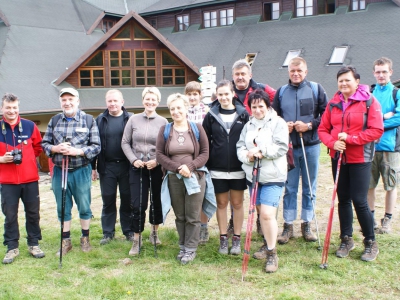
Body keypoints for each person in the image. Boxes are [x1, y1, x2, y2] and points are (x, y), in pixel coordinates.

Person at [318, 66, 383, 261]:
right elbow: (323, 129)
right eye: (341, 81)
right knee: (343, 198)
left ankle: (370, 241)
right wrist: (332, 143)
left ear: (357, 81)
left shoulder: (369, 102)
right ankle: (346, 239)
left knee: (359, 200)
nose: (344, 84)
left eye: (347, 80)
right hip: (338, 157)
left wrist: (351, 139)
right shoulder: (333, 103)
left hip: (360, 157)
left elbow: (376, 130)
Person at [272, 57, 327, 244]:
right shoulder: (281, 92)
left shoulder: (316, 89)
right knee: (289, 188)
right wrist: (282, 126)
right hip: (289, 148)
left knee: (309, 187)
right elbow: (273, 117)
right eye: (292, 70)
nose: (296, 73)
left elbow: (326, 115)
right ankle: (288, 225)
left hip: (310, 146)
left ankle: (307, 223)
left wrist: (310, 125)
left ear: (306, 71)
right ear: (289, 72)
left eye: (299, 70)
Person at [42, 87, 100, 256]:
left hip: (81, 170)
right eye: (64, 100)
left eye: (70, 99)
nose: (67, 103)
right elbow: (44, 144)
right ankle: (65, 241)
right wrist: (55, 148)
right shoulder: (54, 121)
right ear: (61, 102)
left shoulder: (89, 120)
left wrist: (78, 151)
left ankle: (85, 238)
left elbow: (96, 147)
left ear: (77, 101)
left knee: (84, 205)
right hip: (60, 171)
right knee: (62, 206)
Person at [156, 93, 212, 265]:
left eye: (179, 107)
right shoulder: (165, 130)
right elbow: (159, 154)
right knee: (180, 215)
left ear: (186, 108)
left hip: (195, 178)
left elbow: (205, 153)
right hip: (174, 178)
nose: (176, 111)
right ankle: (182, 245)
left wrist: (191, 167)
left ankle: (191, 248)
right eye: (172, 108)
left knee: (193, 215)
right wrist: (177, 168)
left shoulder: (196, 128)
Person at [237, 89, 288, 273]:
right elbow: (240, 146)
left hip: (273, 176)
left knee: (267, 214)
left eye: (260, 106)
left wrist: (262, 152)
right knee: (261, 214)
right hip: (254, 177)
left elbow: (281, 147)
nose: (257, 110)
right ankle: (267, 243)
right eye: (254, 107)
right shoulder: (248, 125)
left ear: (267, 106)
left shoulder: (278, 123)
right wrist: (247, 156)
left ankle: (272, 253)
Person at [203, 79, 249, 255]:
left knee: (237, 203)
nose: (223, 97)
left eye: (226, 94)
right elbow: (205, 142)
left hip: (238, 168)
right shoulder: (211, 116)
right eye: (220, 94)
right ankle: (223, 238)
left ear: (232, 94)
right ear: (217, 96)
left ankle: (236, 239)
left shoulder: (244, 114)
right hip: (217, 169)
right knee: (221, 203)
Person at [231, 59, 276, 236]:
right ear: (233, 77)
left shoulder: (263, 89)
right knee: (236, 188)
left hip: (259, 143)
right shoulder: (228, 92)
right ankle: (232, 221)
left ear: (250, 75)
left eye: (243, 74)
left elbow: (278, 100)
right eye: (237, 74)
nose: (240, 77)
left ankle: (260, 219)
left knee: (256, 184)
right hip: (237, 143)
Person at [121, 87, 168, 256]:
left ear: (158, 101)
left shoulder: (163, 122)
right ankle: (137, 238)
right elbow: (125, 142)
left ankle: (154, 232)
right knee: (137, 203)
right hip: (137, 167)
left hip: (156, 168)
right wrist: (134, 159)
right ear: (143, 100)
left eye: (153, 99)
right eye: (147, 99)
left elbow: (166, 146)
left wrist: (157, 160)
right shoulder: (133, 120)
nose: (150, 102)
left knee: (156, 201)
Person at [0, 93, 44, 264]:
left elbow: (38, 148)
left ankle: (34, 244)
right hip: (7, 181)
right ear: (2, 108)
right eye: (8, 108)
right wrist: (2, 159)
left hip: (30, 180)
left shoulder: (29, 126)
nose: (11, 111)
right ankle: (12, 247)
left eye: (14, 108)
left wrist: (28, 162)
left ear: (18, 107)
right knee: (10, 215)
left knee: (33, 214)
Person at [91, 89, 133, 245]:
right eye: (110, 101)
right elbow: (94, 144)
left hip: (127, 166)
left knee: (127, 199)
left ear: (122, 102)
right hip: (106, 167)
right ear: (106, 102)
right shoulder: (100, 120)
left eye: (115, 100)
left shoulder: (131, 119)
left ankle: (128, 231)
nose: (112, 103)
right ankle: (108, 233)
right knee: (108, 200)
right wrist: (93, 167)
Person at [367, 57, 400, 234]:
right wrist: (383, 118)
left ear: (390, 72)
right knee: (369, 185)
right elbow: (365, 117)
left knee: (391, 185)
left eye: (384, 72)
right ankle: (370, 218)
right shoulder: (369, 94)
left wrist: (378, 123)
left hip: (390, 148)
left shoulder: (396, 93)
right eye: (378, 72)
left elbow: (399, 117)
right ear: (374, 73)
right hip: (370, 147)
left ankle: (387, 219)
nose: (381, 75)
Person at [185, 81, 210, 244]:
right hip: (186, 157)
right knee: (190, 194)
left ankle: (204, 227)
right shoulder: (183, 111)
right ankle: (190, 227)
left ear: (200, 95)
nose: (193, 97)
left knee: (204, 195)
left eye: (195, 94)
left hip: (203, 157)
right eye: (190, 94)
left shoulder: (207, 112)